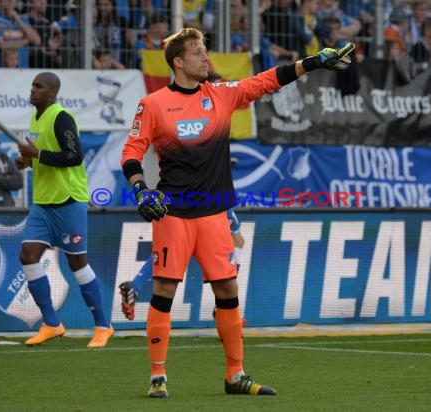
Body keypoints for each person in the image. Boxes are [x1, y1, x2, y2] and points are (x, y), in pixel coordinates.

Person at [120, 27, 354, 398]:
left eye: (205, 52)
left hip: (214, 213)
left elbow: (267, 81)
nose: (205, 58)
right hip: (174, 213)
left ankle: (235, 376)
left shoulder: (222, 95)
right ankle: (158, 376)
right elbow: (131, 153)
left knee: (228, 289)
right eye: (198, 53)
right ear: (178, 61)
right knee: (164, 288)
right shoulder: (153, 104)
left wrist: (312, 63)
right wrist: (140, 191)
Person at [16, 72, 113, 348]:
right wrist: (27, 162)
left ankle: (103, 326)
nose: (33, 90)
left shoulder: (61, 117)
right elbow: (45, 156)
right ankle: (52, 323)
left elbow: (74, 156)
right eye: (32, 85)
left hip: (69, 200)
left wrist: (36, 155)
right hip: (44, 203)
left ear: (52, 92)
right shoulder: (36, 118)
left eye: (39, 86)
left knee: (77, 263)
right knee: (28, 255)